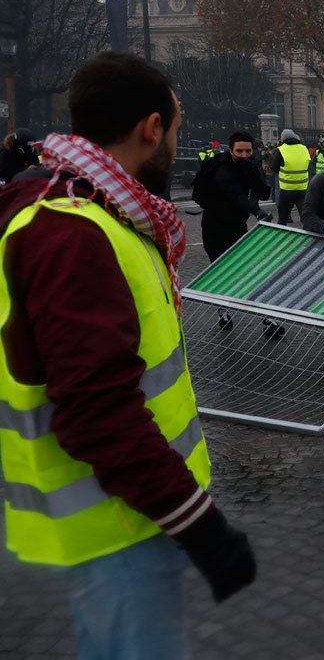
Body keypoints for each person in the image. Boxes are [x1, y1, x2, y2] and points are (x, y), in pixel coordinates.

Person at [0, 50, 256, 658]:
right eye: (177, 124)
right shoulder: (75, 230)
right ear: (151, 128)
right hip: (120, 520)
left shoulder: (91, 212)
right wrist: (201, 526)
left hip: (125, 512)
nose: (177, 138)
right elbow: (96, 410)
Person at [198, 130, 273, 261]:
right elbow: (235, 194)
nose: (244, 155)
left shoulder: (252, 164)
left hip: (238, 225)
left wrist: (253, 174)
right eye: (239, 151)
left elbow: (264, 193)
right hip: (215, 227)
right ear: (231, 151)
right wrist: (257, 211)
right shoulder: (222, 167)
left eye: (248, 151)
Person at [268, 128, 311, 225]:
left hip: (287, 190)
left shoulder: (281, 150)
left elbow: (275, 168)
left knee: (282, 219)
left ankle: (282, 236)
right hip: (302, 189)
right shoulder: (304, 148)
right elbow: (308, 162)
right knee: (306, 219)